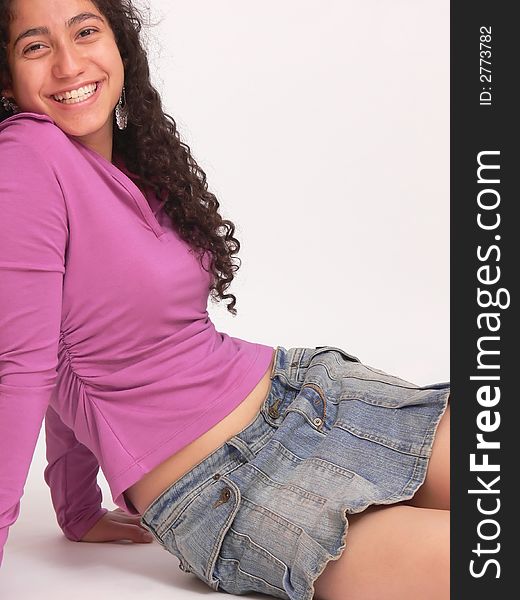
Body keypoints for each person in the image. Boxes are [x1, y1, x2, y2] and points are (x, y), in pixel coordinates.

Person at [0, 1, 450, 598]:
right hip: (230, 485)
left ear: (119, 45)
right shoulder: (25, 154)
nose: (68, 62)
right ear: (6, 78)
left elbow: (78, 340)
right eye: (35, 46)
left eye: (86, 32)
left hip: (306, 396)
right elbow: (24, 366)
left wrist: (75, 505)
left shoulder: (128, 168)